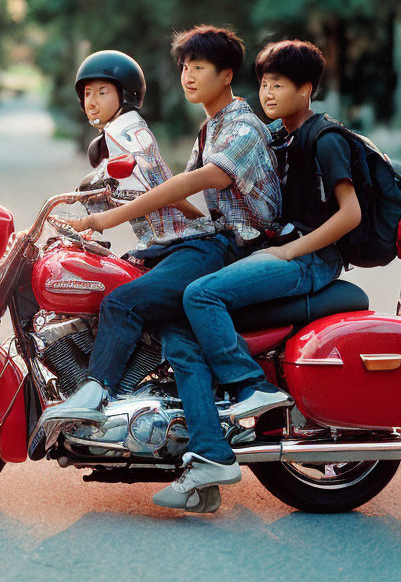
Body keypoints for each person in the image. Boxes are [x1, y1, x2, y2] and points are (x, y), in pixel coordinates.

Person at [35, 26, 281, 485]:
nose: (187, 76)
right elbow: (178, 196)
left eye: (199, 67)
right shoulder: (211, 129)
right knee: (179, 344)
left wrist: (104, 220)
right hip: (208, 242)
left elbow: (191, 185)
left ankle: (95, 392)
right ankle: (210, 452)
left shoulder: (242, 126)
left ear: (227, 74)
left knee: (123, 302)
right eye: (184, 67)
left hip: (232, 248)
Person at [151, 40, 360, 511]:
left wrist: (291, 249)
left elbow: (351, 214)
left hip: (310, 258)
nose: (267, 92)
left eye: (279, 84)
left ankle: (252, 387)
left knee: (201, 296)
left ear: (306, 90)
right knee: (177, 320)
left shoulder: (324, 138)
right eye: (264, 83)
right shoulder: (278, 135)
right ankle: (208, 454)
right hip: (278, 250)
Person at [72, 49, 208, 249]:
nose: (92, 101)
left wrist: (199, 219)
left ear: (125, 95)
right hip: (157, 240)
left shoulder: (126, 131)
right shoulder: (117, 129)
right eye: (87, 93)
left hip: (170, 240)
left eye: (102, 92)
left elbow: (154, 180)